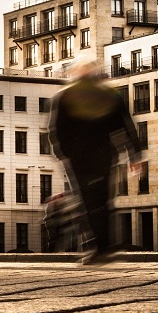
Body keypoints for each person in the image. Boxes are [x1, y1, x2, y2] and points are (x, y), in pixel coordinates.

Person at [48, 58, 143, 265]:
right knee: (102, 201)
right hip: (103, 156)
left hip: (79, 159)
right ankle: (102, 247)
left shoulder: (65, 96)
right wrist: (134, 156)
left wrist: (65, 155)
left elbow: (56, 131)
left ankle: (92, 247)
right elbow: (126, 127)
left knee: (85, 203)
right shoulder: (109, 95)